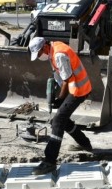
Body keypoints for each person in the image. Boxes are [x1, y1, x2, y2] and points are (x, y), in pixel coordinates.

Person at [28, 37, 93, 175]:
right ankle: (84, 143)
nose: (40, 57)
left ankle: (50, 161)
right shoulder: (54, 47)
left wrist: (59, 98)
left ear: (44, 47)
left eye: (39, 54)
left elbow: (67, 79)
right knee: (63, 118)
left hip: (78, 89)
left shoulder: (59, 54)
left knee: (58, 120)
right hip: (76, 87)